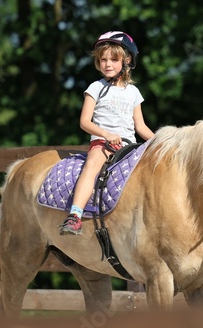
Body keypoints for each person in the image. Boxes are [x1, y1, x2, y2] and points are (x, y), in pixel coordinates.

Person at [59, 31, 154, 236]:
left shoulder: (133, 92)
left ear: (127, 60)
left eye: (113, 59)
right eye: (103, 59)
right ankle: (75, 215)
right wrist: (106, 134)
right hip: (103, 144)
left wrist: (160, 141)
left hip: (131, 146)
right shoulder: (95, 87)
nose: (107, 64)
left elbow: (140, 127)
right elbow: (84, 122)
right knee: (92, 166)